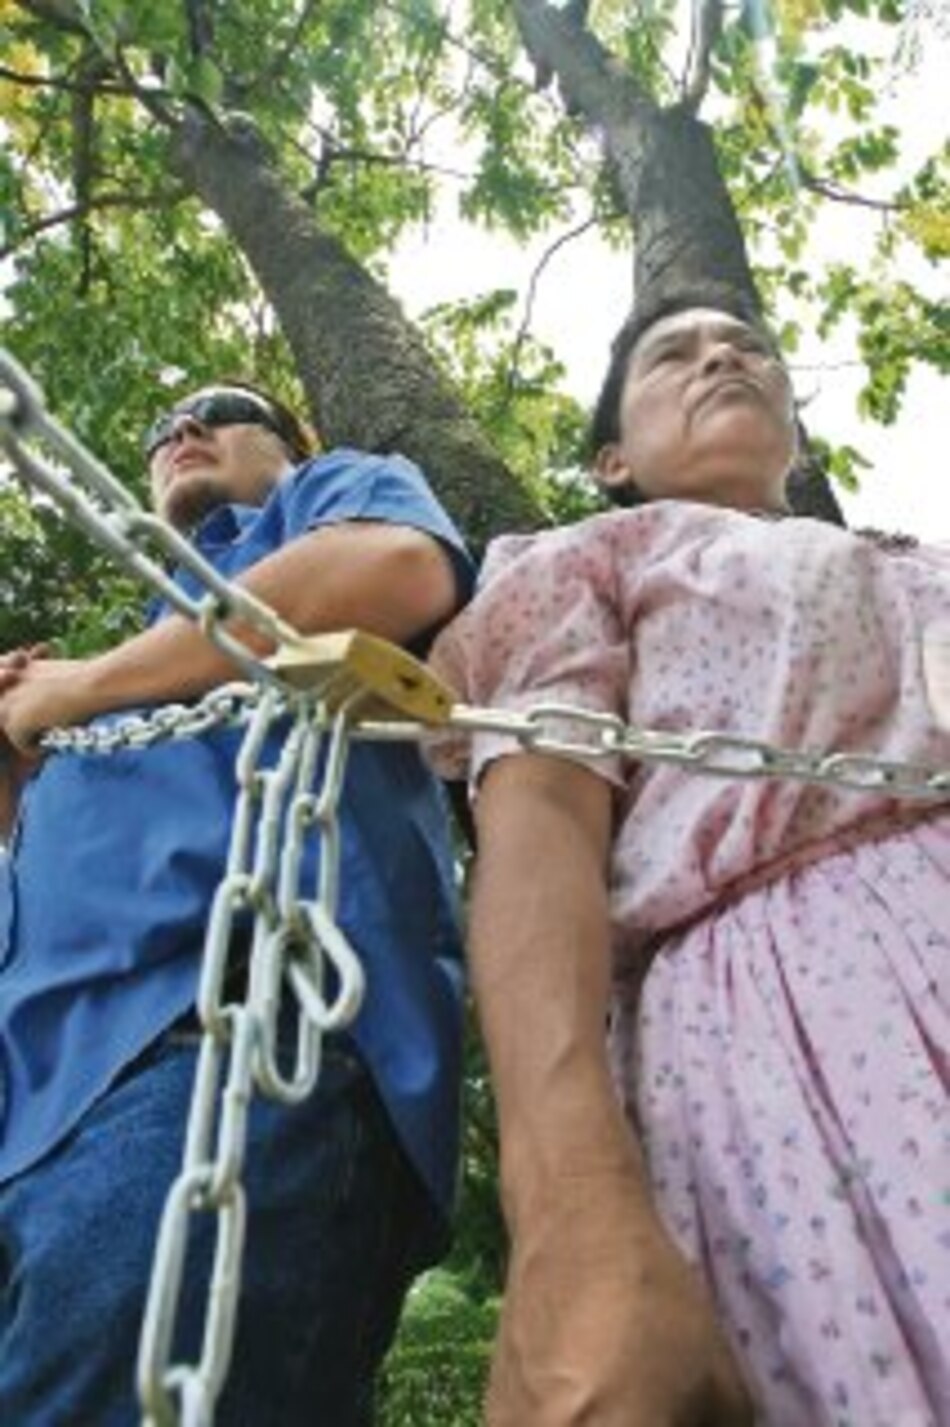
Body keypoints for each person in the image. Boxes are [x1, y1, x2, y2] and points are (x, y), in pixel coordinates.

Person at [430, 287, 950, 1427]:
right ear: (613, 458)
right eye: (673, 354)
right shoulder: (585, 560)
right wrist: (565, 1210)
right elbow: (539, 829)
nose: (721, 355)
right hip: (793, 1035)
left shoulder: (923, 562)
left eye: (746, 344)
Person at [0, 381, 474, 1426]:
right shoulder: (138, 652)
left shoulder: (326, 496)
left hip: (226, 1050)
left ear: (292, 442)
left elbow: (390, 569)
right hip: (38, 1122)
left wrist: (72, 691)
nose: (181, 425)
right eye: (159, 420)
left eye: (220, 406)